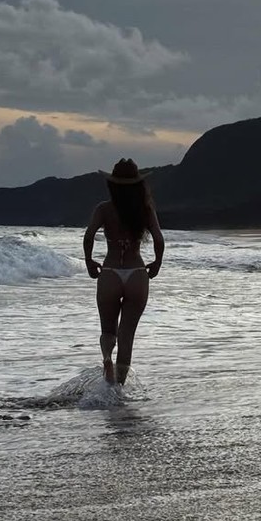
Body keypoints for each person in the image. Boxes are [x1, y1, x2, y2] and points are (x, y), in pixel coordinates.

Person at [83, 158, 165, 384]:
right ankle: (117, 389)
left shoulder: (104, 209)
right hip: (136, 273)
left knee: (108, 331)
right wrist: (157, 262)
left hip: (110, 272)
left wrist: (89, 261)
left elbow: (89, 235)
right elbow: (158, 238)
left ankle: (107, 358)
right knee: (126, 335)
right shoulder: (146, 210)